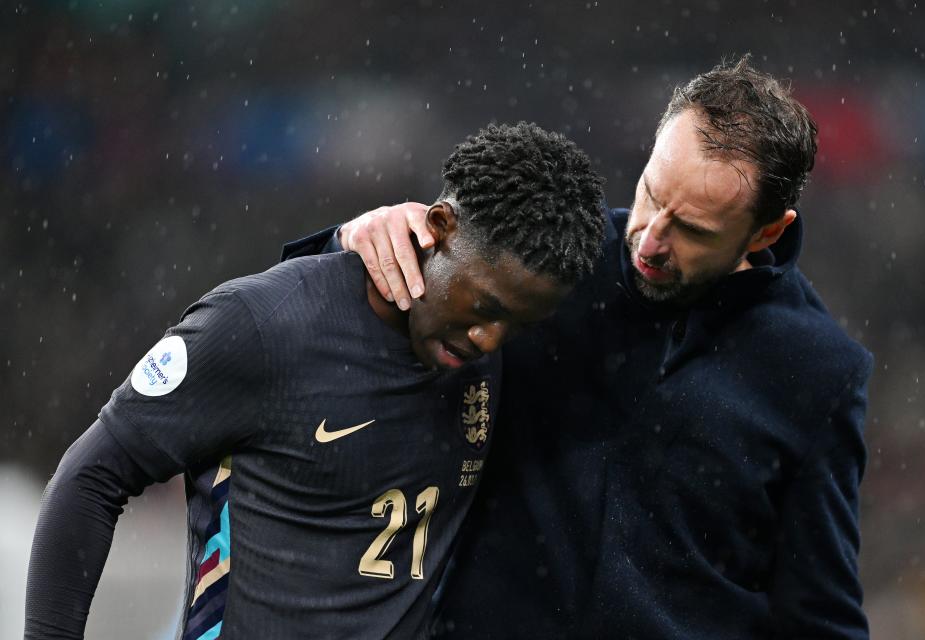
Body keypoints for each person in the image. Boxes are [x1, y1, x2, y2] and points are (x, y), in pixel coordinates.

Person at [283, 57, 873, 638]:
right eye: (650, 193)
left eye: (693, 230)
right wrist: (349, 242)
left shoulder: (817, 372)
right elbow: (321, 322)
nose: (650, 239)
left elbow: (818, 612)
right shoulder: (548, 265)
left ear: (768, 231)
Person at [24, 122, 607, 640]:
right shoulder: (262, 326)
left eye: (516, 324)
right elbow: (90, 479)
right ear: (439, 226)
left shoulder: (483, 355)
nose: (489, 339)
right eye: (483, 306)